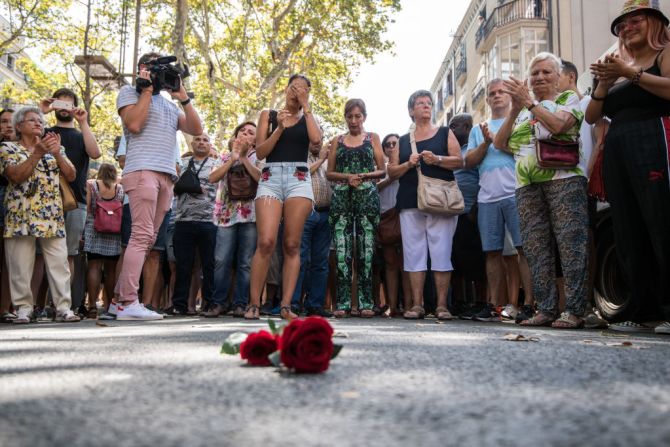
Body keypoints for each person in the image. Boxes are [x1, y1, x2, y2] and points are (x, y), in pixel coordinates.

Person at [586, 0, 670, 334]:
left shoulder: (663, 54)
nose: (627, 27)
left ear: (654, 23)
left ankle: (667, 307)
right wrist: (605, 84)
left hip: (654, 136)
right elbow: (593, 116)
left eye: (635, 20)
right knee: (626, 228)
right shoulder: (618, 65)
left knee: (660, 222)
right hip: (617, 145)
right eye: (622, 24)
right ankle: (641, 307)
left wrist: (629, 74)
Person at [494, 52, 588, 328]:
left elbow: (559, 126)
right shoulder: (522, 109)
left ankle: (574, 310)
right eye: (534, 73)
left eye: (547, 72)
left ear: (559, 77)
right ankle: (546, 309)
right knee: (536, 247)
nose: (540, 77)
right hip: (526, 185)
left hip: (564, 179)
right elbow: (500, 143)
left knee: (571, 245)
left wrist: (531, 104)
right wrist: (515, 108)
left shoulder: (567, 99)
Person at [114, 52, 202, 321]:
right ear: (142, 68)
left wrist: (183, 97)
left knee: (148, 240)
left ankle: (119, 301)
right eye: (154, 67)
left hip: (166, 177)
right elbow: (135, 124)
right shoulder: (129, 93)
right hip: (142, 172)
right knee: (141, 237)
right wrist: (146, 91)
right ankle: (128, 301)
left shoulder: (169, 106)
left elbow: (196, 130)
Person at [246, 74, 322, 320]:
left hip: (298, 178)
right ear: (286, 88)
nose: (296, 92)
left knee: (291, 244)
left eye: (302, 89)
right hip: (270, 177)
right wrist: (279, 127)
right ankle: (254, 304)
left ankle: (286, 305)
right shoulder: (268, 115)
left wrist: (306, 107)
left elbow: (317, 142)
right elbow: (260, 152)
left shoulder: (309, 118)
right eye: (293, 87)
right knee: (266, 241)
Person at [388, 90, 463, 320]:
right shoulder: (401, 140)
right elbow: (391, 172)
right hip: (411, 201)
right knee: (413, 254)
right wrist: (408, 164)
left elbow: (459, 161)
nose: (426, 106)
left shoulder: (444, 132)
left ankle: (442, 306)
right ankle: (417, 305)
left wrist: (437, 159)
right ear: (411, 110)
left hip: (441, 201)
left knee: (442, 252)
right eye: (420, 103)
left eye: (429, 103)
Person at [0, 106, 80, 323]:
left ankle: (64, 308)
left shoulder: (55, 148)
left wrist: (56, 153)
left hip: (52, 214)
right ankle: (23, 309)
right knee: (19, 265)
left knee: (59, 264)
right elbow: (15, 176)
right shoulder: (7, 148)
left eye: (40, 120)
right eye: (32, 120)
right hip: (20, 215)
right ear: (19, 126)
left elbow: (71, 175)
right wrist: (37, 153)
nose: (38, 123)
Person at [464, 79, 534, 322]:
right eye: (492, 93)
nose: (496, 96)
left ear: (509, 95)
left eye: (501, 92)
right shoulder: (477, 129)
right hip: (487, 199)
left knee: (524, 249)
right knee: (492, 252)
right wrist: (486, 141)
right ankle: (494, 305)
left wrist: (499, 140)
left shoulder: (522, 120)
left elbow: (525, 151)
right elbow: (469, 161)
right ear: (487, 99)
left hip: (517, 192)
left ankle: (529, 305)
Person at [558, 59, 609, 329]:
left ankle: (587, 304)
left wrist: (588, 177)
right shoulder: (557, 107)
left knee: (586, 244)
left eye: (557, 75)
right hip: (561, 184)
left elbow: (600, 139)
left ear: (571, 77)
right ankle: (569, 304)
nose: (552, 81)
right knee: (566, 247)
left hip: (583, 184)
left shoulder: (589, 102)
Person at [326, 99, 385, 318]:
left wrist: (363, 176)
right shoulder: (337, 140)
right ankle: (341, 303)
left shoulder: (373, 138)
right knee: (342, 251)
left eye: (358, 116)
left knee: (366, 250)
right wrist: (347, 177)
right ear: (345, 118)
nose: (353, 120)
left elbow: (382, 170)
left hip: (367, 198)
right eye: (350, 116)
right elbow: (329, 173)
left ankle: (366, 303)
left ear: (364, 117)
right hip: (341, 199)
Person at [40, 89, 102, 288]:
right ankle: (36, 306)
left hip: (76, 202)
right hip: (44, 201)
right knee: (40, 255)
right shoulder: (44, 131)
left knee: (69, 254)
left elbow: (95, 153)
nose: (65, 108)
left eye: (69, 104)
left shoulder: (81, 134)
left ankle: (64, 304)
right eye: (60, 102)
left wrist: (83, 122)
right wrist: (42, 111)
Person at [205, 122, 260, 318]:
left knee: (245, 262)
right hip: (225, 216)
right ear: (235, 136)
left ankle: (240, 304)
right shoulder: (223, 156)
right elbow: (212, 178)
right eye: (242, 131)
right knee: (221, 260)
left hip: (250, 215)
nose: (245, 134)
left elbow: (261, 178)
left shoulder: (259, 157)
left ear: (255, 140)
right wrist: (232, 159)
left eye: (250, 133)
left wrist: (244, 158)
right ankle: (218, 303)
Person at [170, 133, 219, 315]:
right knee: (183, 265)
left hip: (209, 221)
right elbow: (174, 187)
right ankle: (179, 305)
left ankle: (209, 304)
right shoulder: (182, 164)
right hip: (183, 220)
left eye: (205, 140)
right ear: (192, 144)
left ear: (210, 145)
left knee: (209, 265)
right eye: (198, 139)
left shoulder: (217, 164)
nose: (201, 142)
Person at [448, 114, 488, 317]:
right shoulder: (449, 150)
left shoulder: (475, 148)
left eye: (454, 126)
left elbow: (484, 176)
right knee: (456, 259)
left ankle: (481, 301)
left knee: (477, 260)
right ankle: (460, 301)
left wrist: (476, 207)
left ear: (467, 126)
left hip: (472, 211)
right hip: (452, 213)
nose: (451, 130)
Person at [290, 138, 333, 317]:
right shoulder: (298, 156)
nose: (318, 142)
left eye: (320, 139)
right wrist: (321, 160)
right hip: (305, 212)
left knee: (321, 263)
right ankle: (292, 303)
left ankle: (315, 304)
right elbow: (300, 175)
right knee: (299, 260)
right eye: (314, 139)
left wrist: (325, 160)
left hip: (325, 213)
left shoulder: (328, 158)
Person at [377, 133, 410, 317]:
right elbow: (375, 187)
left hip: (405, 215)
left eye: (395, 144)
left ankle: (409, 304)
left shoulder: (408, 164)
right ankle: (392, 305)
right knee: (390, 264)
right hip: (386, 217)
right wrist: (391, 175)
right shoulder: (379, 168)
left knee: (407, 263)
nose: (391, 147)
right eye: (387, 144)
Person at [83, 163, 123, 317]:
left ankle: (92, 306)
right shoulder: (120, 188)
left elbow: (87, 208)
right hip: (114, 232)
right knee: (111, 270)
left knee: (94, 267)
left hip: (94, 229)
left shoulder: (91, 185)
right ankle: (109, 306)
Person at [0, 108, 15, 323]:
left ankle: (4, 308)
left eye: (13, 121)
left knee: (8, 259)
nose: (8, 125)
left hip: (13, 201)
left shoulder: (26, 147)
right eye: (3, 121)